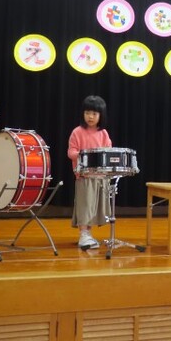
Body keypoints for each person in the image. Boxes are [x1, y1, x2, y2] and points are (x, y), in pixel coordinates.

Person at [68, 95, 112, 249]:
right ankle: (83, 234)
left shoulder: (104, 133)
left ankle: (88, 234)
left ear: (101, 115)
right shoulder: (77, 132)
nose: (90, 117)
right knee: (85, 205)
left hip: (100, 177)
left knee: (94, 207)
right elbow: (71, 152)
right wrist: (85, 155)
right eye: (87, 113)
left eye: (94, 113)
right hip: (84, 176)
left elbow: (108, 151)